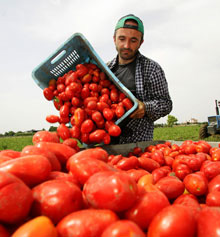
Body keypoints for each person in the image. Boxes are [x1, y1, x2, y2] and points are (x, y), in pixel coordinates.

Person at [107, 14, 173, 144]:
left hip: (138, 146)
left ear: (141, 42)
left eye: (133, 40)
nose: (126, 45)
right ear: (114, 39)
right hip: (108, 142)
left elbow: (166, 104)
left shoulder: (151, 69)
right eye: (122, 38)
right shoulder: (106, 69)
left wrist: (145, 108)